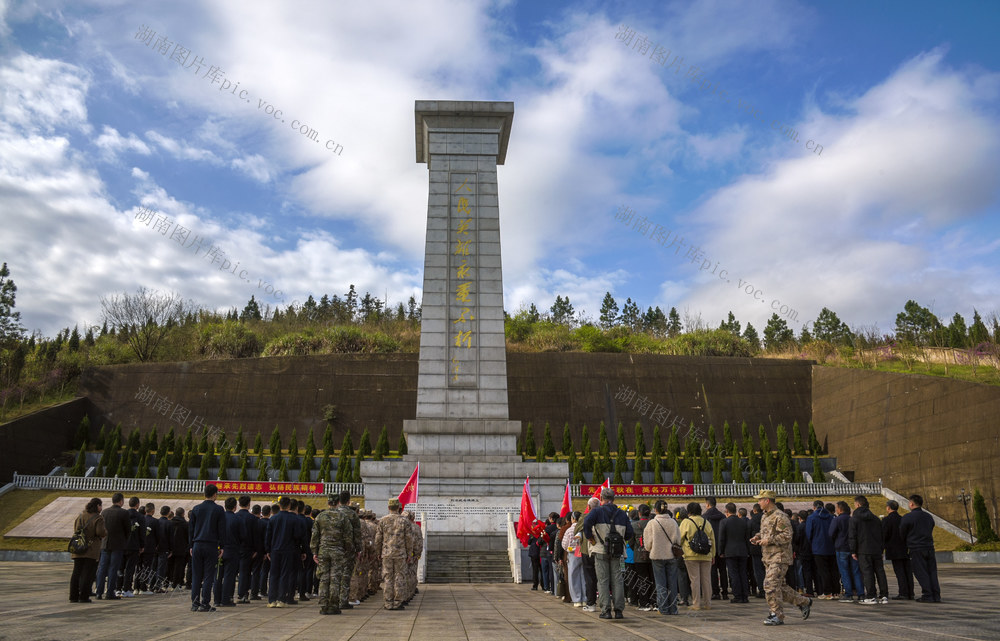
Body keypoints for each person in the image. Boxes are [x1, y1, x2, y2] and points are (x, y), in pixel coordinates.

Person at [751, 490, 811, 626]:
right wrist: (758, 537)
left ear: (767, 501)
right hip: (768, 557)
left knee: (770, 585)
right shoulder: (765, 516)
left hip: (780, 556)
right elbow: (766, 532)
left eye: (760, 500)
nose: (758, 502)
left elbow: (787, 535)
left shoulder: (780, 516)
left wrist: (769, 540)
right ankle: (804, 602)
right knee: (780, 587)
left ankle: (776, 615)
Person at [583, 487, 634, 620]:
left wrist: (589, 537)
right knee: (618, 580)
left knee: (603, 580)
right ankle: (618, 611)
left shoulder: (596, 511)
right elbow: (629, 532)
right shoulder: (622, 514)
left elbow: (586, 523)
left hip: (600, 549)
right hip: (618, 551)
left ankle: (606, 610)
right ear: (613, 499)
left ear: (601, 499)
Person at [311, 494, 353, 614]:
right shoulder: (343, 517)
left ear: (328, 502)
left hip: (323, 551)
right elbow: (348, 537)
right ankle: (334, 605)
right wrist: (347, 550)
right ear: (338, 502)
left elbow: (315, 536)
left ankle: (324, 605)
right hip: (338, 551)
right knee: (335, 578)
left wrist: (314, 551)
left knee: (324, 578)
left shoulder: (320, 516)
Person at [189, 483, 225, 612]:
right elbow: (221, 530)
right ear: (215, 494)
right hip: (211, 545)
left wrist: (191, 545)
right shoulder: (219, 510)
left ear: (204, 494)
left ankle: (194, 603)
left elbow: (191, 529)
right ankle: (205, 603)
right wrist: (222, 547)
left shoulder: (196, 509)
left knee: (196, 575)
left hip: (197, 544)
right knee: (209, 575)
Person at [899, 494, 941, 603]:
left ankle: (927, 594)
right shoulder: (928, 517)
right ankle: (936, 594)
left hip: (916, 547)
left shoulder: (908, 517)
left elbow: (902, 533)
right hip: (929, 547)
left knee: (920, 572)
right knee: (932, 571)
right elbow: (931, 527)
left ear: (911, 504)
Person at [376, 498, 415, 610]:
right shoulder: (405, 521)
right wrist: (409, 554)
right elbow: (409, 539)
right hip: (400, 554)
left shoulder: (382, 520)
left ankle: (388, 602)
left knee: (388, 577)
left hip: (386, 554)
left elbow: (378, 539)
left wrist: (378, 552)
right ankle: (398, 602)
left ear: (388, 507)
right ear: (398, 508)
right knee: (400, 577)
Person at [849, 495, 889, 604]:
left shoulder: (855, 519)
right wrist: (881, 549)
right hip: (876, 549)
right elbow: (881, 535)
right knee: (880, 572)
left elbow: (852, 535)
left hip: (863, 549)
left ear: (857, 505)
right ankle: (884, 595)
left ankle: (871, 595)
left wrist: (853, 551)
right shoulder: (875, 518)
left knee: (867, 573)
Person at [643, 500, 680, 615]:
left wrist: (650, 549)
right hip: (671, 556)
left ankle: (663, 608)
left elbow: (647, 543)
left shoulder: (652, 523)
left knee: (660, 583)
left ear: (656, 510)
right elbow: (678, 540)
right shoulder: (673, 522)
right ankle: (673, 608)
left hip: (657, 555)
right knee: (672, 583)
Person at [69, 497, 106, 603]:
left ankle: (73, 596)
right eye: (100, 506)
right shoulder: (98, 518)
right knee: (87, 573)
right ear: (98, 506)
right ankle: (84, 596)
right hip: (90, 548)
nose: (101, 508)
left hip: (78, 547)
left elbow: (76, 529)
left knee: (76, 572)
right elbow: (100, 532)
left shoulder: (80, 516)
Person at [679, 501, 714, 611]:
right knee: (706, 580)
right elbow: (712, 540)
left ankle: (696, 604)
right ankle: (708, 603)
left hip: (690, 555)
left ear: (689, 511)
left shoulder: (686, 522)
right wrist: (713, 555)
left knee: (694, 580)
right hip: (706, 555)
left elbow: (679, 538)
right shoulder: (706, 522)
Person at [95, 492, 129, 600]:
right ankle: (110, 592)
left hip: (105, 544)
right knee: (113, 569)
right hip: (117, 544)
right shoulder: (123, 513)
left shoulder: (104, 512)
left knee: (102, 569)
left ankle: (98, 592)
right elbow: (128, 530)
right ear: (121, 501)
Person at [265, 496, 298, 607]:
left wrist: (268, 550)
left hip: (275, 550)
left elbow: (268, 536)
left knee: (273, 574)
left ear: (279, 506)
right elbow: (297, 536)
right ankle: (281, 599)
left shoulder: (273, 519)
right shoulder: (293, 519)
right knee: (284, 574)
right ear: (289, 506)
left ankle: (271, 600)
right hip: (288, 550)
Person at [831, 500, 864, 602]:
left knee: (844, 572)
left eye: (837, 508)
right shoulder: (852, 519)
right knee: (856, 572)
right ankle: (861, 593)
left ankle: (848, 594)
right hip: (853, 548)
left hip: (841, 548)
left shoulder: (837, 520)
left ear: (840, 509)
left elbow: (831, 533)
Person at [804, 499, 836, 599]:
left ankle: (826, 592)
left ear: (814, 507)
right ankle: (835, 591)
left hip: (818, 547)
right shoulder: (831, 517)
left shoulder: (812, 518)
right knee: (833, 570)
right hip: (831, 547)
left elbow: (809, 534)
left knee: (823, 571)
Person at [719, 501, 750, 603]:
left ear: (726, 511)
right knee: (743, 573)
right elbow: (747, 538)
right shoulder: (743, 521)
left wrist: (721, 551)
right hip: (743, 550)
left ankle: (737, 595)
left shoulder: (724, 522)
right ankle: (745, 595)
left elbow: (721, 539)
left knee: (734, 574)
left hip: (730, 551)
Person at [883, 500, 914, 600]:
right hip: (904, 548)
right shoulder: (902, 519)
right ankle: (910, 592)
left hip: (893, 549)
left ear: (888, 508)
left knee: (899, 572)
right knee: (907, 571)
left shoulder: (886, 520)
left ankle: (903, 593)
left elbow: (884, 535)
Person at [337, 492, 362, 610]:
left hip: (334, 548)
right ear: (348, 501)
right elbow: (357, 534)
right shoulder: (352, 514)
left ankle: (332, 599)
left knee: (335, 575)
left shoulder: (333, 513)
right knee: (346, 575)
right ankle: (343, 600)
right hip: (349, 549)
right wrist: (359, 549)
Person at [213, 496, 240, 607]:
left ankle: (216, 599)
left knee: (218, 576)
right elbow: (242, 535)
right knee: (229, 576)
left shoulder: (219, 517)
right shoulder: (237, 519)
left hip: (219, 550)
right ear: (235, 507)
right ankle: (226, 599)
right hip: (232, 550)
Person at [703, 496, 728, 600]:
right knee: (723, 571)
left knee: (712, 571)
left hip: (711, 548)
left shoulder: (704, 517)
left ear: (708, 504)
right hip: (722, 547)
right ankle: (725, 592)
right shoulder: (723, 516)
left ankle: (716, 592)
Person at [631, 504, 654, 610]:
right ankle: (653, 601)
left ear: (639, 513)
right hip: (653, 554)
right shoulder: (653, 524)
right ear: (649, 513)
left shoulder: (635, 525)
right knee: (653, 578)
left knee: (642, 579)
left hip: (639, 555)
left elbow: (630, 542)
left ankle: (644, 603)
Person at [122, 496, 146, 597]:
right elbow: (142, 533)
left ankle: (118, 588)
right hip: (134, 546)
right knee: (130, 569)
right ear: (137, 505)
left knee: (120, 568)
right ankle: (127, 588)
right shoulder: (140, 517)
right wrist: (142, 546)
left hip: (122, 545)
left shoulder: (124, 514)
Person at [234, 495, 256, 604]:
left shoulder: (235, 516)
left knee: (232, 572)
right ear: (249, 504)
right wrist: (255, 550)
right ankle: (242, 594)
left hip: (234, 548)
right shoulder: (252, 518)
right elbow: (255, 536)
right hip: (247, 549)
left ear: (238, 504)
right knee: (244, 572)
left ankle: (228, 595)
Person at [578, 497, 599, 611]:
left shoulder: (585, 517)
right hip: (602, 550)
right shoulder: (604, 516)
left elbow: (577, 529)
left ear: (589, 507)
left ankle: (591, 604)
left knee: (590, 577)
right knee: (603, 577)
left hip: (587, 550)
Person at [563, 511, 585, 607]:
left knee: (573, 576)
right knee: (584, 576)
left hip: (572, 554)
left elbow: (564, 544)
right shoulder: (584, 528)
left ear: (573, 519)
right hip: (584, 553)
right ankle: (585, 598)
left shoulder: (569, 530)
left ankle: (577, 599)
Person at [250, 504, 270, 599]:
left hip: (249, 551)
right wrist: (266, 552)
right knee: (261, 571)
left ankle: (247, 592)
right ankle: (261, 590)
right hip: (261, 551)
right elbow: (265, 539)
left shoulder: (258, 522)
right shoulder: (268, 523)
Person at [168, 507, 189, 590]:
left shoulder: (170, 523)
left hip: (171, 548)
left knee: (170, 566)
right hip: (181, 548)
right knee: (179, 567)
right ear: (183, 514)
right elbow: (188, 537)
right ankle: (176, 583)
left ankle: (169, 582)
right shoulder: (185, 524)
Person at [747, 504, 764, 599]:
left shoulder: (752, 521)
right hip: (766, 547)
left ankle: (761, 589)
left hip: (755, 548)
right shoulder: (766, 518)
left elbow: (748, 535)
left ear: (754, 510)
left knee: (758, 570)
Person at [156, 506, 172, 592]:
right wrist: (171, 549)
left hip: (156, 548)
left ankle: (152, 584)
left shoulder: (157, 522)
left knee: (154, 567)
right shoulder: (169, 523)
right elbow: (171, 538)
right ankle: (158, 585)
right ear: (168, 513)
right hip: (164, 548)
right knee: (161, 568)